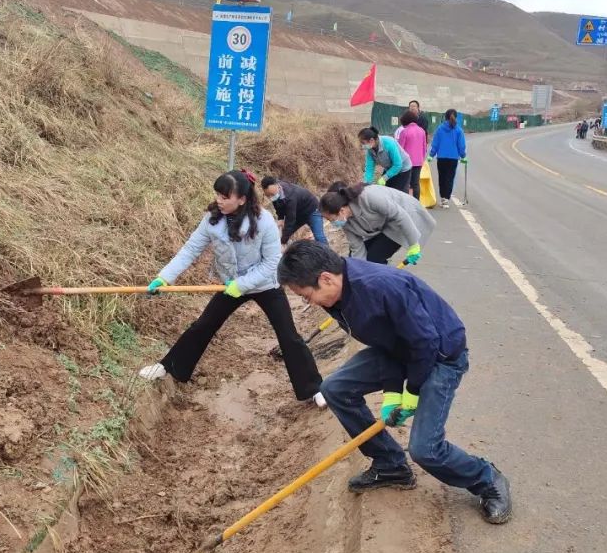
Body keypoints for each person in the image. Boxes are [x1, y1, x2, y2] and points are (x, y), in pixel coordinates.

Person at [277, 241, 512, 524]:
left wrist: (411, 391)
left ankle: (486, 479)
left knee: (426, 450)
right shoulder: (337, 296)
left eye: (306, 295)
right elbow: (387, 343)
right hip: (401, 350)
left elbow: (424, 342)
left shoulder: (381, 287)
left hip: (440, 355)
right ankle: (390, 464)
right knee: (335, 389)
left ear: (325, 278)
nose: (309, 303)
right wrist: (391, 393)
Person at [138, 170, 321, 401]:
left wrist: (242, 284)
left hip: (265, 284)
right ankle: (169, 367)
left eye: (225, 197)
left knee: (289, 336)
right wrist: (165, 277)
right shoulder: (212, 219)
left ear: (242, 199)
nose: (219, 201)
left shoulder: (264, 222)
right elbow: (191, 249)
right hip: (231, 283)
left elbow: (272, 263)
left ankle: (314, 389)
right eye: (217, 195)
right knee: (203, 325)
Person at [319, 181, 435, 265]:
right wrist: (360, 270)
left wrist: (413, 244)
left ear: (341, 211)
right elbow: (357, 247)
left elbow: (400, 216)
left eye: (331, 219)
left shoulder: (369, 197)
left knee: (375, 259)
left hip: (405, 215)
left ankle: (385, 288)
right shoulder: (346, 223)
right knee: (360, 261)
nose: (331, 223)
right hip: (384, 223)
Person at [261, 176, 327, 245]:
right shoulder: (274, 192)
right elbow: (278, 206)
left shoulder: (290, 196)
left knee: (319, 237)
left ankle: (327, 254)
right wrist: (280, 218)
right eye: (268, 195)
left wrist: (282, 242)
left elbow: (290, 221)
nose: (271, 197)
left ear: (277, 185)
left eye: (272, 194)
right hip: (298, 213)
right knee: (285, 232)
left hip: (312, 210)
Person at [430, 109, 467, 209]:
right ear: (456, 117)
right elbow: (461, 146)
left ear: (445, 117)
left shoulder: (440, 129)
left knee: (442, 178)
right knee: (450, 178)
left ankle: (443, 198)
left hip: (441, 157)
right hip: (453, 158)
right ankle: (446, 199)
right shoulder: (459, 130)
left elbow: (435, 143)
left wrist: (431, 155)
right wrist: (463, 156)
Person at [359, 127, 411, 194]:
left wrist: (385, 177)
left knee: (398, 193)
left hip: (403, 169)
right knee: (386, 191)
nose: (362, 146)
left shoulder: (389, 143)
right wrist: (366, 184)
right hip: (390, 168)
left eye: (363, 143)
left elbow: (398, 165)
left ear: (371, 140)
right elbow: (369, 167)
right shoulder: (370, 149)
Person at [395, 111, 428, 198]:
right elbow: (424, 147)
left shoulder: (404, 132)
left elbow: (400, 149)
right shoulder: (422, 131)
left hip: (406, 163)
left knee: (406, 184)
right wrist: (422, 159)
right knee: (416, 183)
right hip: (419, 162)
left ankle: (406, 203)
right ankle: (417, 203)